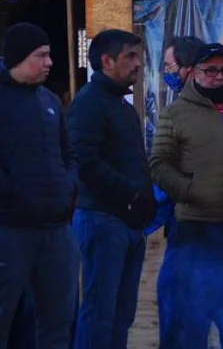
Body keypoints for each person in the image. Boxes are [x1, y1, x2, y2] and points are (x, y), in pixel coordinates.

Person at [150, 42, 223, 348]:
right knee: (188, 322)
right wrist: (188, 190)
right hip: (194, 231)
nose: (219, 77)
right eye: (211, 70)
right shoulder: (175, 114)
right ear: (195, 74)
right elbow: (159, 164)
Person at [68, 28, 155, 349]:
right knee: (100, 313)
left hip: (129, 224)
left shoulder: (122, 107)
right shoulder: (89, 104)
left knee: (122, 314)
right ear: (106, 61)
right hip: (102, 221)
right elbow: (83, 161)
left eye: (139, 55)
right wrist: (131, 193)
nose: (138, 63)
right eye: (130, 56)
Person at [0, 23, 79, 349]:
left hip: (56, 228)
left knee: (58, 320)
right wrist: (15, 198)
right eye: (41, 55)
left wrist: (67, 188)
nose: (49, 62)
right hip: (10, 229)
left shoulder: (48, 101)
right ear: (19, 57)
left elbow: (67, 153)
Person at [153, 35, 204, 347]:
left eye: (170, 67)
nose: (167, 73)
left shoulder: (181, 115)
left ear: (188, 70)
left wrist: (139, 218)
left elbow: (167, 176)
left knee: (179, 309)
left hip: (189, 228)